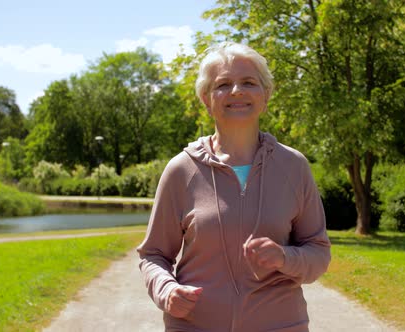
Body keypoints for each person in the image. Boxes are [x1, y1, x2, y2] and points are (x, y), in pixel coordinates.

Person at [137, 42, 331, 332]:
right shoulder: (181, 170)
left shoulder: (294, 167)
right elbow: (153, 255)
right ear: (206, 99)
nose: (236, 91)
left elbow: (318, 252)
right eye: (223, 84)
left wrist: (283, 257)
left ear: (266, 96)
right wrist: (166, 290)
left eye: (249, 82)